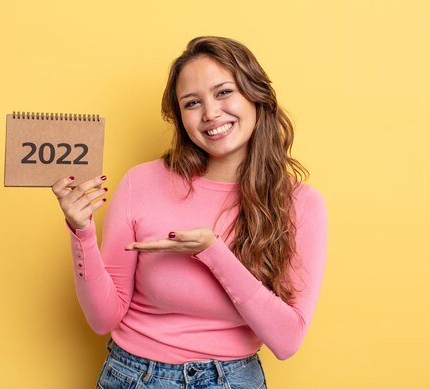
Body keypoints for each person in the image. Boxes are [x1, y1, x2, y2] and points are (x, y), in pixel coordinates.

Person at [51, 36, 327, 389]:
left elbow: (287, 341)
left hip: (234, 380)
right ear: (181, 118)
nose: (211, 113)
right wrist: (82, 231)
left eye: (224, 92)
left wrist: (212, 253)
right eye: (192, 103)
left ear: (256, 96)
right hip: (135, 377)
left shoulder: (301, 203)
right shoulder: (141, 183)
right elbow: (103, 318)